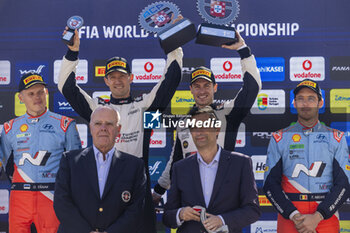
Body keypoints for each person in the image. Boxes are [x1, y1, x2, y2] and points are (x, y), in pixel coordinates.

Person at [58, 18, 183, 232]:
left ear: (131, 78)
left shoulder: (145, 108)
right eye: (112, 77)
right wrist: (72, 53)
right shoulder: (97, 110)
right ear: (106, 81)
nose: (117, 81)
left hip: (137, 185)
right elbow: (66, 87)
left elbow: (171, 79)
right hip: (102, 186)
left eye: (122, 76)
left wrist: (173, 45)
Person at [153, 32, 262, 203]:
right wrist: (158, 192)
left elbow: (252, 88)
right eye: (197, 86)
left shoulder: (227, 113)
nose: (202, 91)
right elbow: (175, 162)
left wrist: (243, 51)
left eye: (207, 85)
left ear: (215, 87)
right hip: (191, 197)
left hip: (223, 196)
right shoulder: (183, 123)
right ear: (191, 89)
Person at [263, 79, 350, 233]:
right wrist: (294, 215)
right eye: (300, 99)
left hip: (325, 218)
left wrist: (317, 217)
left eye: (311, 98)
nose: (305, 103)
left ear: (320, 102)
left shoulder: (336, 138)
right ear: (294, 103)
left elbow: (344, 184)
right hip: (290, 218)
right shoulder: (279, 138)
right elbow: (270, 185)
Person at [0, 72, 82, 233]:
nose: (37, 97)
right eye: (31, 94)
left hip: (51, 196)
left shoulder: (65, 125)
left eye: (40, 92)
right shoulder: (9, 128)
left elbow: (77, 169)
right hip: (19, 198)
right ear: (20, 98)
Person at [163, 106, 261, 233]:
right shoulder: (180, 168)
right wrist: (180, 214)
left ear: (217, 130)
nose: (199, 132)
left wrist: (222, 220)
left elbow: (252, 210)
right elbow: (167, 216)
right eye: (194, 127)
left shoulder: (241, 163)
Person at [54, 106, 146, 233]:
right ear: (91, 127)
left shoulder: (135, 166)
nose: (103, 128)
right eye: (98, 123)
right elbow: (61, 203)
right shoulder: (69, 161)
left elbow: (136, 209)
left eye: (109, 124)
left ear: (118, 129)